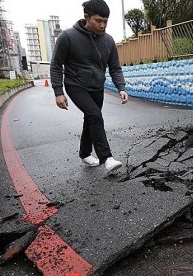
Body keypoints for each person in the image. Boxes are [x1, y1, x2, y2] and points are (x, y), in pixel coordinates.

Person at [50, 0, 128, 174]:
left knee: (90, 119)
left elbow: (115, 67)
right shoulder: (68, 37)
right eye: (98, 21)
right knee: (95, 115)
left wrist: (121, 88)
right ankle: (106, 158)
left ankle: (85, 153)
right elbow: (56, 65)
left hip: (97, 87)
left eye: (105, 21)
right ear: (86, 18)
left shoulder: (108, 41)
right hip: (75, 85)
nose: (102, 25)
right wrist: (58, 92)